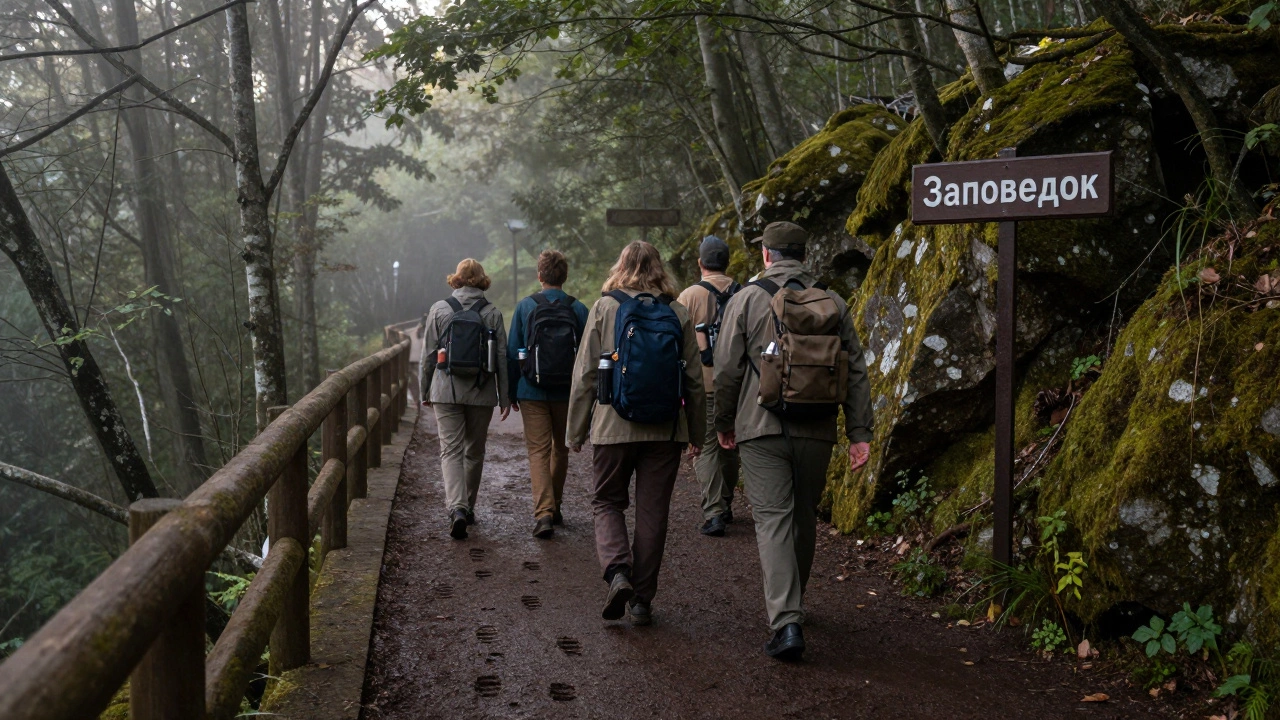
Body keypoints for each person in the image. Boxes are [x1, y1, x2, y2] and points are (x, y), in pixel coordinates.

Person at [713, 221, 874, 661]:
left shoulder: (746, 298)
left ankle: (786, 622)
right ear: (805, 254)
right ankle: (794, 604)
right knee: (802, 515)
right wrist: (859, 434)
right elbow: (855, 371)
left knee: (772, 520)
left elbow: (726, 370)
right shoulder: (834, 301)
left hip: (760, 427)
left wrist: (723, 422)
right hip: (817, 428)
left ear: (767, 255)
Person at [567, 240, 705, 627]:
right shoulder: (676, 312)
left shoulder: (605, 307)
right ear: (660, 269)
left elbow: (585, 377)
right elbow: (693, 380)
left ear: (621, 265)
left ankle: (618, 572)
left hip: (613, 425)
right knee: (652, 513)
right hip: (665, 428)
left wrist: (576, 431)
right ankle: (642, 600)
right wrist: (696, 433)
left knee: (607, 502)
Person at [419, 258, 511, 540]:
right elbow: (502, 359)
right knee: (474, 451)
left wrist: (425, 391)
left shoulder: (439, 309)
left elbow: (427, 356)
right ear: (482, 280)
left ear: (456, 279)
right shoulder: (492, 312)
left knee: (450, 451)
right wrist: (504, 396)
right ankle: (468, 507)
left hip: (445, 389)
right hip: (481, 391)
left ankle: (456, 508)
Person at [507, 249, 589, 539]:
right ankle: (555, 507)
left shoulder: (525, 307)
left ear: (539, 276)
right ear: (564, 276)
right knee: (560, 448)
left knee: (538, 452)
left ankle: (544, 512)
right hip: (567, 391)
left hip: (531, 389)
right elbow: (588, 356)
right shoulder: (578, 309)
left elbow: (513, 351)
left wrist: (511, 392)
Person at [676, 236, 741, 538]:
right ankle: (725, 503)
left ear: (700, 263)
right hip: (739, 384)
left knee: (706, 446)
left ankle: (714, 511)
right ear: (727, 262)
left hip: (703, 385)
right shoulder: (745, 293)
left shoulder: (688, 296)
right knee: (730, 442)